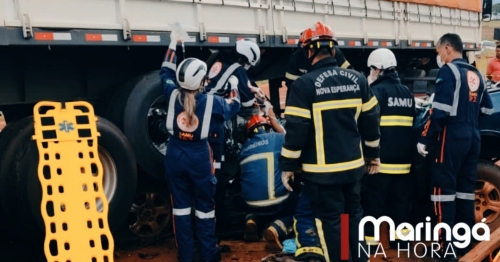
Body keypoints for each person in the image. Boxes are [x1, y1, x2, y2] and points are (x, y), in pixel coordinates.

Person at [279, 21, 381, 262]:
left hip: (322, 176)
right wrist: (373, 154)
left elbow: (296, 130)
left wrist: (287, 166)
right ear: (333, 50)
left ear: (308, 52)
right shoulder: (358, 80)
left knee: (331, 226)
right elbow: (371, 120)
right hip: (353, 171)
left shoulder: (304, 85)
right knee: (352, 218)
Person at [161, 32, 241, 262]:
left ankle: (185, 256)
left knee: (181, 209)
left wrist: (173, 45)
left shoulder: (171, 93)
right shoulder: (212, 103)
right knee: (205, 208)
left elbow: (165, 70)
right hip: (199, 157)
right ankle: (208, 254)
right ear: (201, 81)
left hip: (175, 154)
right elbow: (233, 105)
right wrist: (233, 85)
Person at [417, 33, 493, 259]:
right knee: (465, 193)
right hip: (473, 137)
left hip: (451, 138)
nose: (438, 56)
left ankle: (444, 249)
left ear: (448, 48)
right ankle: (465, 245)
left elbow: (439, 112)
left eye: (439, 51)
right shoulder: (476, 73)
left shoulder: (448, 71)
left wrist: (424, 138)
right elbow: (487, 108)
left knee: (443, 193)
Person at [204, 39, 265, 229]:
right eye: (247, 63)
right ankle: (222, 219)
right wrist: (256, 96)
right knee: (218, 172)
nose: (246, 66)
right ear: (244, 58)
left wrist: (250, 88)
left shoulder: (219, 61)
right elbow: (246, 104)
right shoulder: (237, 69)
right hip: (215, 124)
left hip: (203, 115)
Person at [360, 48, 416, 247]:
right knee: (401, 204)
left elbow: (368, 126)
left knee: (373, 203)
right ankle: (402, 242)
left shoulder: (375, 92)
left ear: (377, 69)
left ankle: (371, 243)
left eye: (371, 70)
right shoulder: (407, 93)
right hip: (404, 163)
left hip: (380, 162)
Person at [284, 30, 352, 101]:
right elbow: (291, 85)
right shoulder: (296, 57)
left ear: (333, 51)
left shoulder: (337, 54)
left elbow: (349, 75)